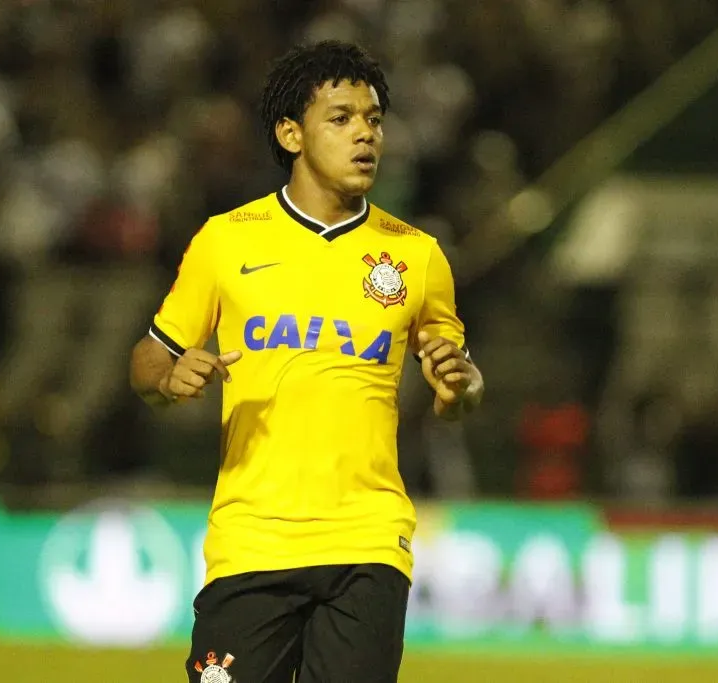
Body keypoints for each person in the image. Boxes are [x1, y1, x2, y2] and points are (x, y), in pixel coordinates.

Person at [129, 40, 484, 683]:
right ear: (291, 133)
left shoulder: (418, 255)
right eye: (341, 118)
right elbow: (151, 358)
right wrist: (165, 379)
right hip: (252, 541)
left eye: (374, 118)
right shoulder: (226, 240)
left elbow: (457, 388)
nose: (365, 135)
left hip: (368, 541)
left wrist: (462, 387)